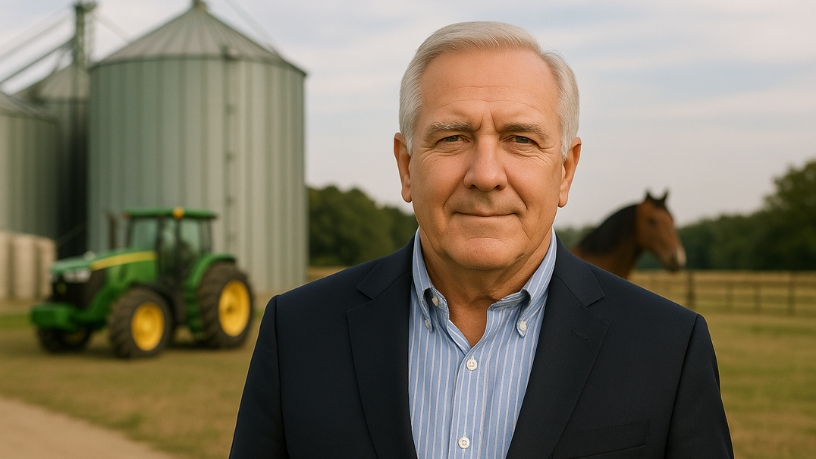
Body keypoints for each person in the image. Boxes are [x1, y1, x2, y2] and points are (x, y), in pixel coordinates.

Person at [230, 22, 733, 459]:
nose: (486, 174)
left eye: (521, 138)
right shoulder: (296, 333)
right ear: (406, 167)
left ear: (565, 170)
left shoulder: (669, 347)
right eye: (452, 137)